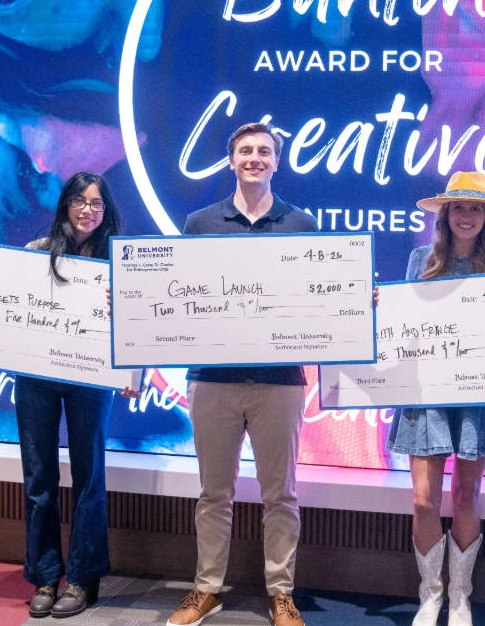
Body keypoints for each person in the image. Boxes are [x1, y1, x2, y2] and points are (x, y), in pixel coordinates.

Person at [167, 123, 318, 626]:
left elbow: (319, 295)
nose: (255, 158)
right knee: (214, 493)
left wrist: (355, 302)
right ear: (230, 161)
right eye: (245, 151)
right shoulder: (200, 223)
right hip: (213, 377)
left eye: (265, 152)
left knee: (282, 496)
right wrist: (127, 303)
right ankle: (206, 588)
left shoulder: (301, 224)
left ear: (278, 162)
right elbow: (177, 294)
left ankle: (281, 594)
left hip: (280, 382)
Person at [385, 171, 485, 626]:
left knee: (466, 495)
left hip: (476, 397)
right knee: (424, 501)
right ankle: (431, 595)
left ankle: (460, 596)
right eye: (459, 207)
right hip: (426, 393)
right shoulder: (419, 260)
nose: (467, 216)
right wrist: (373, 307)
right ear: (445, 214)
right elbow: (400, 328)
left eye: (476, 208)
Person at [17, 172, 138, 619]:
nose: (89, 210)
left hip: (90, 377)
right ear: (65, 204)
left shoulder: (119, 262)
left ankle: (83, 578)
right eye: (80, 201)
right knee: (39, 479)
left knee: (89, 478)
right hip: (36, 376)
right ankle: (45, 575)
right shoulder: (35, 252)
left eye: (97, 204)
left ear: (106, 211)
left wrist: (131, 372)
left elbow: (135, 323)